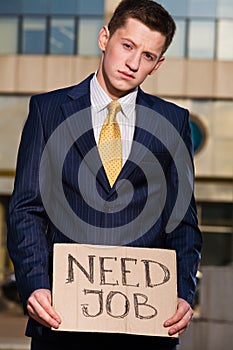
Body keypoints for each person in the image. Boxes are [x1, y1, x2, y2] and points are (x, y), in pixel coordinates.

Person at [7, 0, 202, 349]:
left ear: (158, 65)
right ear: (104, 38)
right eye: (127, 46)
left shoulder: (173, 122)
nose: (132, 63)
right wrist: (35, 282)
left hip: (146, 328)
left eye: (147, 56)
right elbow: (27, 209)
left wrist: (184, 292)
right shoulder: (47, 111)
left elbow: (183, 223)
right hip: (61, 321)